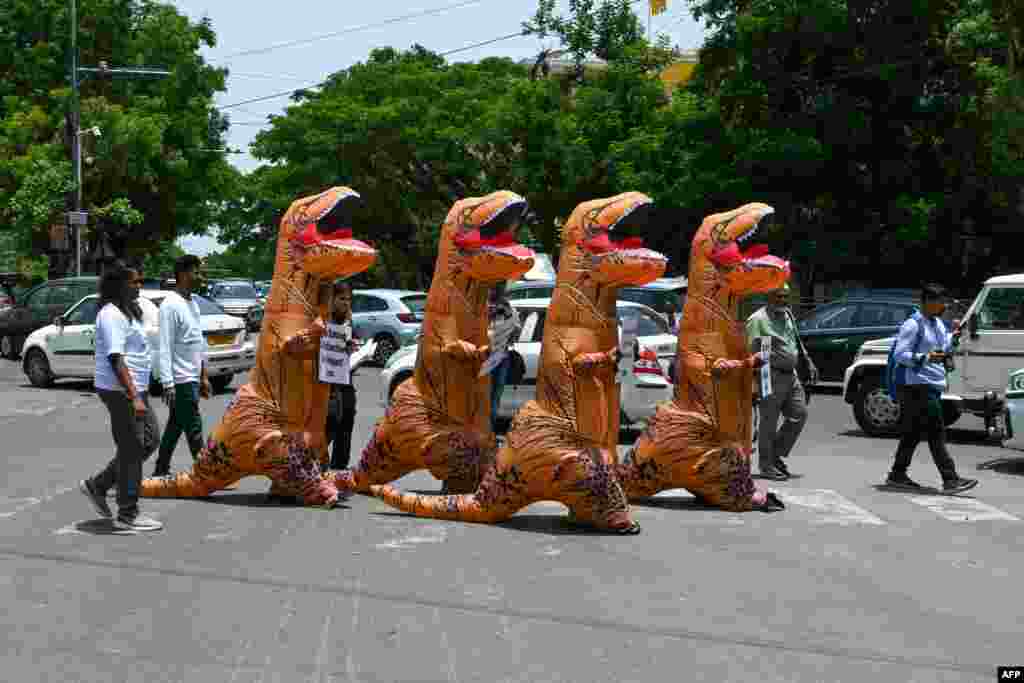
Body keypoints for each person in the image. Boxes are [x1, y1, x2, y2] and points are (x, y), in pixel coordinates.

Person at [79, 261, 163, 531]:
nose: (139, 286)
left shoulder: (131, 311)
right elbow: (116, 358)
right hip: (120, 391)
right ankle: (128, 513)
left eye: (140, 281)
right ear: (119, 285)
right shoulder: (110, 315)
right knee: (132, 449)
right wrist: (133, 396)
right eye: (134, 282)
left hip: (135, 388)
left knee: (149, 440)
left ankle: (99, 484)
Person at [885, 283, 978, 493]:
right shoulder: (912, 324)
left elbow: (943, 349)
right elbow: (900, 354)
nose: (944, 306)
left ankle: (897, 474)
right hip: (916, 386)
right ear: (928, 302)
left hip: (931, 384)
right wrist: (925, 358)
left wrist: (953, 339)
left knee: (913, 433)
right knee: (936, 432)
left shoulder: (937, 324)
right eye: (940, 302)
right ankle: (950, 479)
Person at [746, 282, 817, 480]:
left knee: (799, 413)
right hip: (768, 372)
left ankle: (775, 455)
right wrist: (755, 382)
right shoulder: (758, 320)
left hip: (791, 373)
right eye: (778, 296)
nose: (783, 300)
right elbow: (754, 351)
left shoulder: (787, 314)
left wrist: (807, 360)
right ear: (767, 298)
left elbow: (794, 340)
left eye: (786, 296)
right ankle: (766, 465)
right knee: (769, 421)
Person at [151, 255, 211, 478]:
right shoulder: (170, 305)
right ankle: (206, 473)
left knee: (176, 426)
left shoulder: (192, 303)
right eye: (197, 272)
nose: (200, 277)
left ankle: (160, 469)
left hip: (192, 376)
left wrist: (203, 375)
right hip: (180, 378)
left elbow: (197, 342)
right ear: (184, 274)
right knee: (194, 427)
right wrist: (168, 383)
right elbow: (165, 347)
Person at [322, 280, 358, 469]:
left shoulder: (349, 320)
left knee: (348, 415)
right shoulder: (323, 319)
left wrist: (353, 347)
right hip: (327, 380)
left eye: (348, 300)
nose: (346, 303)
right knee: (332, 418)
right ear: (332, 299)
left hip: (345, 377)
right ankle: (316, 461)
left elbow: (352, 342)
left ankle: (339, 466)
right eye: (342, 299)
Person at [487, 285, 521, 434]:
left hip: (500, 357)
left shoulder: (508, 310)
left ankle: (490, 431)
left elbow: (516, 331)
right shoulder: (482, 308)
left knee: (494, 397)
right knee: (487, 396)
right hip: (485, 357)